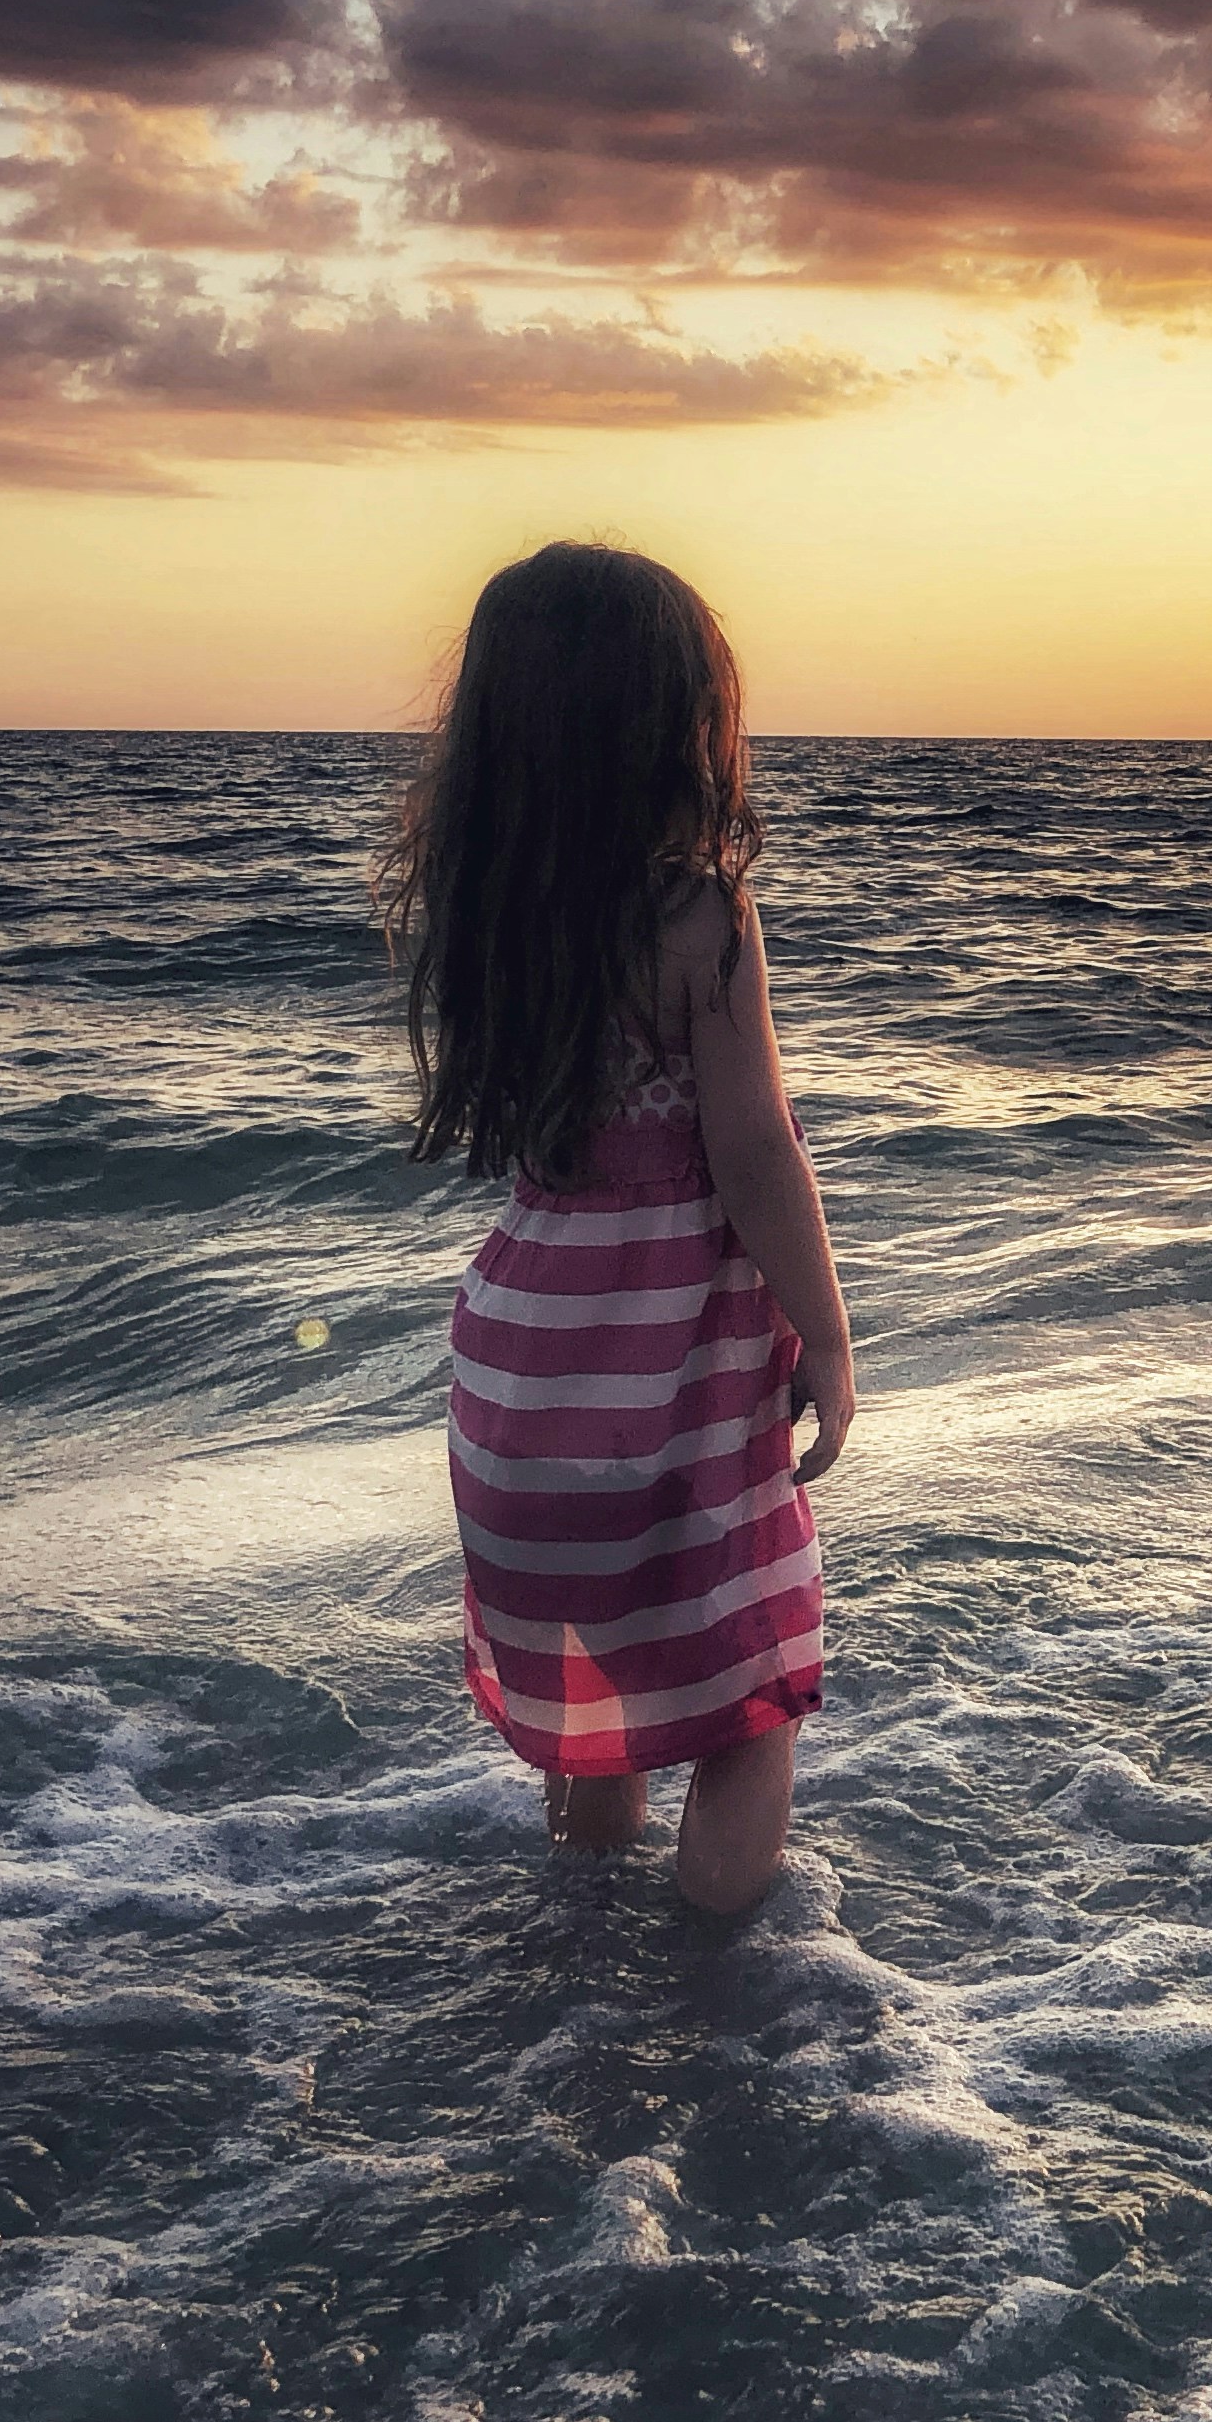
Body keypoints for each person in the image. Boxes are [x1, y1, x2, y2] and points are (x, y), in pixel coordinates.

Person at [379, 542, 851, 1911]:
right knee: (750, 1708)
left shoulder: (486, 916)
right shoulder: (698, 914)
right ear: (667, 722)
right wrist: (827, 1338)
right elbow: (753, 1153)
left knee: (597, 1706)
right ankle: (711, 2001)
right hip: (669, 1385)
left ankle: (581, 1974)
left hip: (519, 1378)